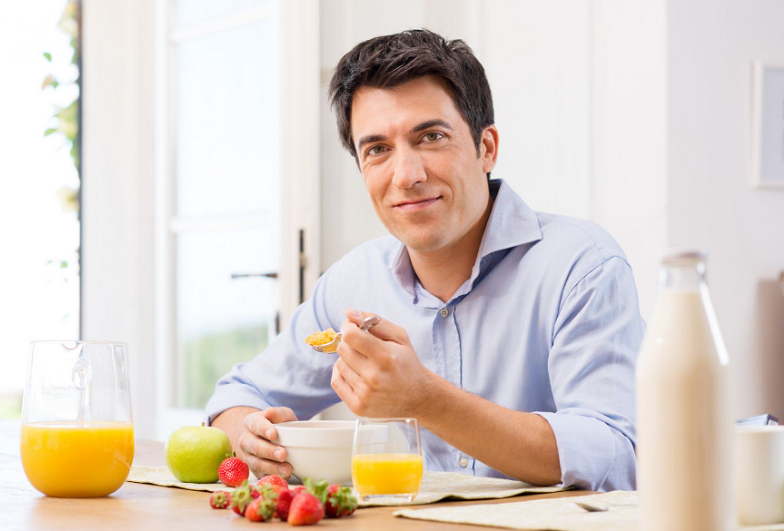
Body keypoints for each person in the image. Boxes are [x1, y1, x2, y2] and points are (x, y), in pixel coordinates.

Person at [207, 29, 644, 492]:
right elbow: (236, 398)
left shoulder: (582, 267)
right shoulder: (352, 282)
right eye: (377, 149)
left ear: (486, 148)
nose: (406, 176)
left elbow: (614, 454)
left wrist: (427, 400)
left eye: (431, 137)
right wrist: (253, 440)